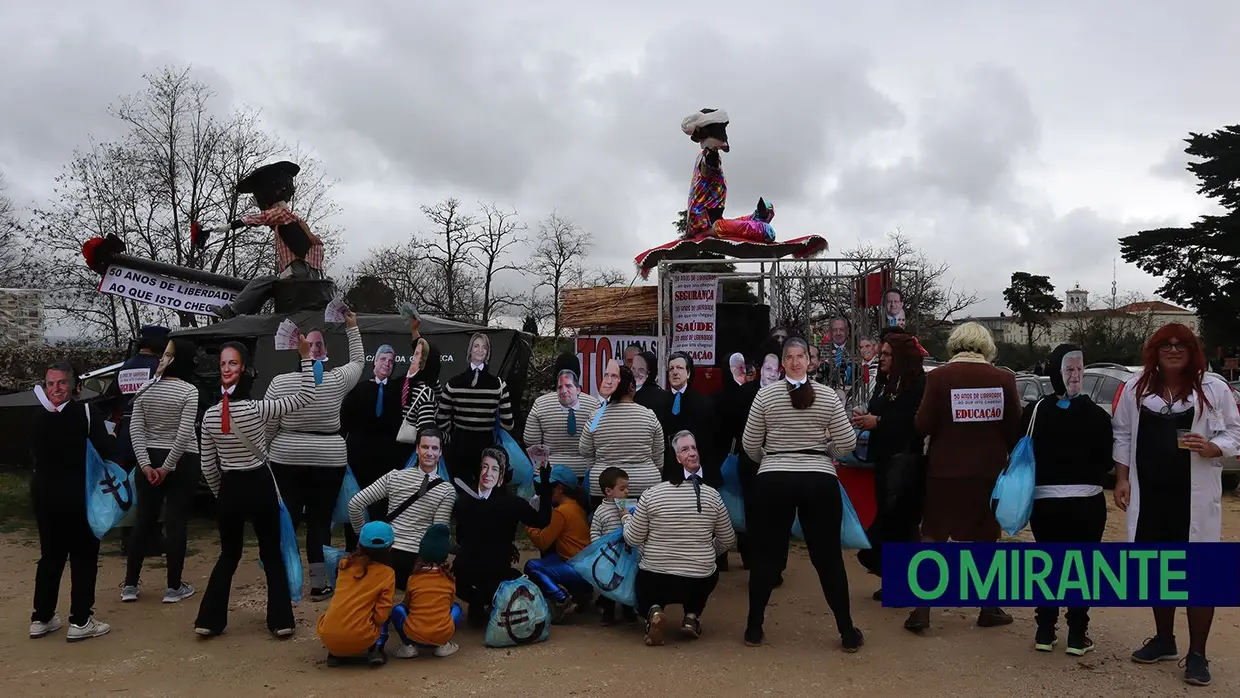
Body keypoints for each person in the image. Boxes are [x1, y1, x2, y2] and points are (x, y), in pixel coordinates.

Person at [1113, 323, 1240, 687]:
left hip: (1194, 497)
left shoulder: (1213, 388)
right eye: (1165, 344)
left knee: (1199, 576)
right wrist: (1122, 478)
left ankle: (1197, 653)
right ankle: (1164, 639)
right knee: (1158, 570)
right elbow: (1122, 434)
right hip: (1150, 496)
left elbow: (1235, 431)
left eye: (1180, 344)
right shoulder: (1137, 387)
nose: (1172, 349)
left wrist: (1216, 447)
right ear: (1154, 350)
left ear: (1191, 350)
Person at [742, 336, 861, 651]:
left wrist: (771, 457)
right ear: (789, 362)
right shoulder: (827, 396)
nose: (795, 361)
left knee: (767, 555)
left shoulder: (765, 396)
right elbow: (847, 443)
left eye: (799, 356)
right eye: (792, 356)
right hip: (818, 479)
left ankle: (754, 627)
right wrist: (825, 453)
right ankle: (847, 631)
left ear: (806, 362)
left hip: (774, 479)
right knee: (828, 558)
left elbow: (750, 445)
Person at [195, 334, 317, 639]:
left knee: (228, 555)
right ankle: (280, 621)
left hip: (230, 489)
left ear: (239, 368)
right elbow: (305, 396)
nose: (227, 367)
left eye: (230, 362)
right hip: (260, 484)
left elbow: (208, 467)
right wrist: (304, 356)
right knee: (271, 553)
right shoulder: (258, 410)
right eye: (225, 363)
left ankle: (209, 620)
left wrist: (220, 494)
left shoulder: (210, 416)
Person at [908, 321, 1022, 633]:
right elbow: (1015, 429)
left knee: (932, 534)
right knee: (986, 537)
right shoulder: (1004, 378)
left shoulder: (939, 377)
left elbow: (922, 424)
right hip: (989, 472)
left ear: (955, 344)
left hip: (944, 470)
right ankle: (988, 608)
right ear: (987, 346)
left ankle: (921, 610)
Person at [266, 312, 364, 600]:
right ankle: (318, 583)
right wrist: (352, 327)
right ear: (322, 355)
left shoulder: (280, 383)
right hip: (329, 460)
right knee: (320, 522)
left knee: (288, 520)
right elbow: (359, 362)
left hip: (286, 459)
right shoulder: (335, 381)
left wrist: (269, 452)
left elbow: (270, 424)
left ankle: (282, 576)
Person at [1022, 344, 1113, 657]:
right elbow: (1106, 462)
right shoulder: (1098, 416)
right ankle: (1077, 633)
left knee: (1048, 565)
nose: (1076, 375)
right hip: (1086, 504)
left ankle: (1045, 631)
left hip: (1046, 504)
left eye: (1079, 369)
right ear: (1057, 372)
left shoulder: (1035, 411)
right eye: (1070, 369)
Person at [29, 361, 118, 642]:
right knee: (83, 557)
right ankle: (80, 620)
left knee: (50, 557)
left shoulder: (36, 417)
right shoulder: (88, 413)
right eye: (51, 384)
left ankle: (41, 617)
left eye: (60, 383)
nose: (55, 388)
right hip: (80, 496)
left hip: (44, 496)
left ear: (73, 386)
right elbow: (106, 451)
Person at [623, 431, 736, 646]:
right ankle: (691, 616)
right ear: (675, 458)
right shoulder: (713, 495)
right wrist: (706, 553)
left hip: (656, 575)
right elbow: (728, 539)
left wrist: (625, 520)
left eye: (694, 448)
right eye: (685, 449)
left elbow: (633, 539)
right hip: (698, 579)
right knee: (707, 573)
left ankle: (654, 612)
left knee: (644, 578)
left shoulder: (651, 495)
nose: (692, 453)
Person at [123, 337, 202, 605]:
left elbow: (135, 428)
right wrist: (168, 467)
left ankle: (130, 585)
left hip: (149, 460)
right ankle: (173, 587)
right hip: (183, 460)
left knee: (144, 520)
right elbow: (184, 433)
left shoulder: (145, 389)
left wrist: (145, 464)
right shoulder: (190, 391)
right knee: (176, 522)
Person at [850, 333, 926, 600]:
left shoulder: (918, 384)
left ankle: (911, 582)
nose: (880, 358)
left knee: (900, 523)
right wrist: (866, 418)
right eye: (880, 353)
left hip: (906, 464)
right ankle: (895, 581)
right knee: (891, 522)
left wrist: (879, 422)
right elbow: (879, 408)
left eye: (886, 354)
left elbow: (912, 422)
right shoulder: (887, 383)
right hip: (885, 462)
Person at [206, 161, 327, 319]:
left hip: (299, 274)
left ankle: (234, 311)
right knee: (268, 286)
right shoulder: (293, 221)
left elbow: (263, 218)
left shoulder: (281, 214)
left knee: (263, 282)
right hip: (308, 275)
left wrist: (230, 226)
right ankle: (241, 313)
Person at [452, 449, 553, 627]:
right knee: (519, 578)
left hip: (463, 580)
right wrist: (545, 488)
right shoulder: (513, 503)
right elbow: (542, 521)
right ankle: (490, 602)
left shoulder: (463, 502)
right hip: (496, 579)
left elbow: (462, 537)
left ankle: (476, 603)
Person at [348, 428, 457, 591]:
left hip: (385, 554)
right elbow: (438, 532)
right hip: (418, 563)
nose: (430, 452)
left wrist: (364, 538)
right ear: (417, 449)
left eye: (434, 448)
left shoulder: (394, 476)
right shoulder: (447, 490)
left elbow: (355, 504)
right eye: (426, 447)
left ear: (440, 452)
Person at [339, 328, 418, 551]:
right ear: (374, 362)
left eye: (391, 361)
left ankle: (381, 551)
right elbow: (344, 422)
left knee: (383, 510)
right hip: (359, 461)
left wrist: (415, 333)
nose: (387, 363)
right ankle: (354, 550)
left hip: (388, 462)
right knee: (356, 505)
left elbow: (420, 367)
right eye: (383, 359)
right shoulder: (358, 389)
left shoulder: (398, 390)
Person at [317, 521, 397, 667]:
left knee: (341, 608)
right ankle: (376, 649)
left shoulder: (344, 564)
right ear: (390, 547)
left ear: (359, 544)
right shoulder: (387, 573)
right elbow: (380, 616)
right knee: (386, 612)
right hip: (362, 637)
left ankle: (335, 653)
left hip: (328, 635)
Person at [437, 332, 514, 482]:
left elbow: (441, 421)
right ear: (470, 350)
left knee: (463, 491)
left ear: (487, 353)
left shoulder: (454, 383)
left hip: (464, 445)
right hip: (479, 445)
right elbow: (508, 424)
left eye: (484, 347)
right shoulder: (498, 385)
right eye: (476, 346)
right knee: (481, 492)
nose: (480, 350)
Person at [580, 365, 666, 499]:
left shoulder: (596, 417)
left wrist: (598, 466)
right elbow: (658, 457)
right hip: (645, 485)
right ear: (632, 386)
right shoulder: (649, 416)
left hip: (604, 486)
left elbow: (585, 450)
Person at [523, 465, 593, 622]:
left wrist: (529, 524)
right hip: (583, 566)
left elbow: (543, 541)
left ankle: (561, 599)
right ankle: (580, 596)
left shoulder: (561, 511)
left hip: (577, 569)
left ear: (559, 488)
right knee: (550, 558)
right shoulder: (577, 505)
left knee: (532, 566)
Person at [523, 353, 600, 487]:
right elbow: (599, 441)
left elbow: (530, 440)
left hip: (549, 473)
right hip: (584, 473)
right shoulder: (594, 404)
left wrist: (542, 466)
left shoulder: (541, 403)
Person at [389, 523, 463, 658]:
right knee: (457, 608)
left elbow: (407, 605)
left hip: (414, 634)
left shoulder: (413, 578)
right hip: (441, 633)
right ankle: (443, 645)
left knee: (397, 610)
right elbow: (449, 605)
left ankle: (408, 647)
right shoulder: (449, 580)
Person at [590, 467, 637, 625]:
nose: (626, 492)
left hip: (626, 553)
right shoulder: (601, 511)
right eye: (622, 488)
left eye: (627, 488)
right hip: (608, 555)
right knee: (608, 584)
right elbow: (595, 531)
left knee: (627, 581)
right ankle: (608, 614)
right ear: (608, 491)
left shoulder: (629, 508)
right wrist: (598, 547)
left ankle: (628, 611)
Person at [399, 317, 442, 446]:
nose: (413, 357)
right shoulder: (407, 382)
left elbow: (425, 432)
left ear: (424, 363)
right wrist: (414, 330)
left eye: (417, 355)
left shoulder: (425, 392)